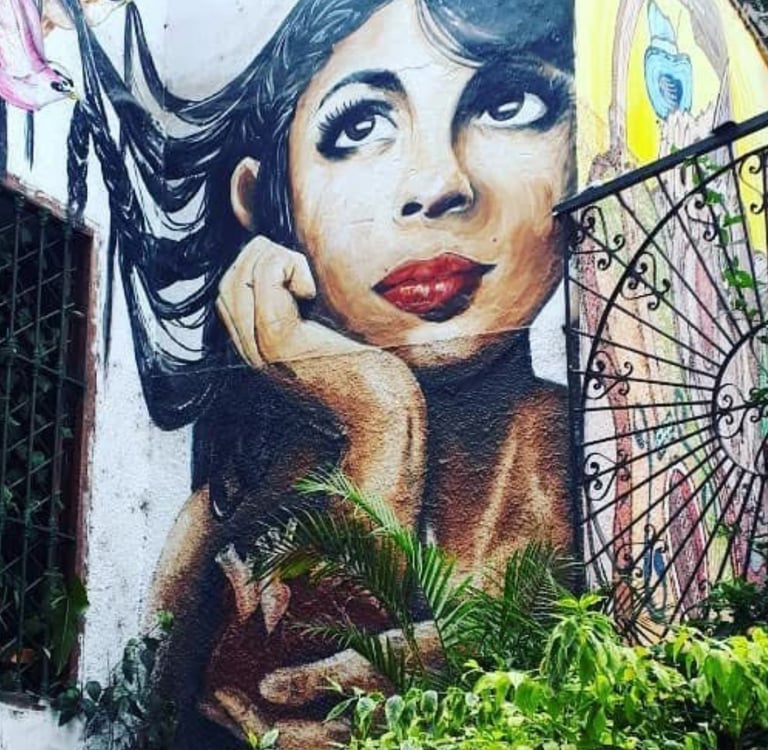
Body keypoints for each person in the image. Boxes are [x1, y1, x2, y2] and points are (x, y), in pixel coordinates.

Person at [65, 0, 575, 746]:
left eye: (508, 104)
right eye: (360, 126)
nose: (438, 184)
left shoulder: (612, 473)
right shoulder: (222, 514)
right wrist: (379, 410)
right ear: (266, 199)